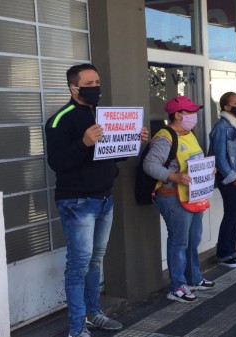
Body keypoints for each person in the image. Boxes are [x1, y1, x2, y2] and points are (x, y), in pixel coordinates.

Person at [45, 64, 149, 337]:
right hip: (77, 202)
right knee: (79, 265)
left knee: (95, 261)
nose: (95, 87)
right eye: (89, 83)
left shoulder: (102, 115)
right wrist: (84, 143)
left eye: (97, 82)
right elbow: (57, 163)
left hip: (104, 198)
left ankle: (92, 313)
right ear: (73, 87)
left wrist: (132, 141)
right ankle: (77, 328)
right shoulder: (60, 119)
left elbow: (112, 156)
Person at [144, 95, 215, 302]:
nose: (194, 116)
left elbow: (195, 160)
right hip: (173, 196)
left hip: (193, 196)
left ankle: (194, 278)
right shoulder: (166, 138)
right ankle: (177, 286)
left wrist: (208, 170)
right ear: (178, 115)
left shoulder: (188, 133)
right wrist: (174, 176)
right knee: (179, 241)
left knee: (193, 239)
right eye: (190, 112)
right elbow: (150, 165)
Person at [208, 92, 236, 268]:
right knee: (231, 215)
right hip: (231, 178)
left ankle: (232, 250)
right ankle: (224, 254)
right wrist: (232, 177)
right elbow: (219, 156)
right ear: (226, 107)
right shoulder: (221, 127)